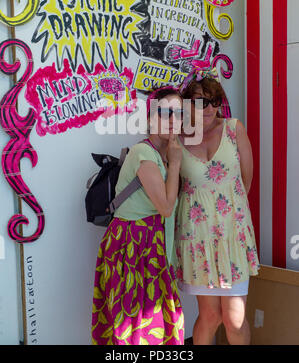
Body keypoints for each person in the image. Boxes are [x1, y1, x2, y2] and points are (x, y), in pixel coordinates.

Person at [91, 86, 185, 345]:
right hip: (133, 247)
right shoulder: (144, 153)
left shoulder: (162, 152)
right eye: (165, 113)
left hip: (148, 245)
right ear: (150, 117)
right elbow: (165, 208)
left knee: (153, 325)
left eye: (178, 113)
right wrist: (176, 163)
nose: (173, 120)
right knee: (136, 327)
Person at [175, 66, 260, 345]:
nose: (210, 108)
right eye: (201, 101)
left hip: (232, 237)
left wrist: (226, 214)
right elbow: (173, 191)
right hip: (196, 238)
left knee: (234, 320)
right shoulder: (177, 140)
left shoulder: (234, 129)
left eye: (214, 101)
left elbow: (245, 184)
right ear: (187, 104)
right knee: (209, 316)